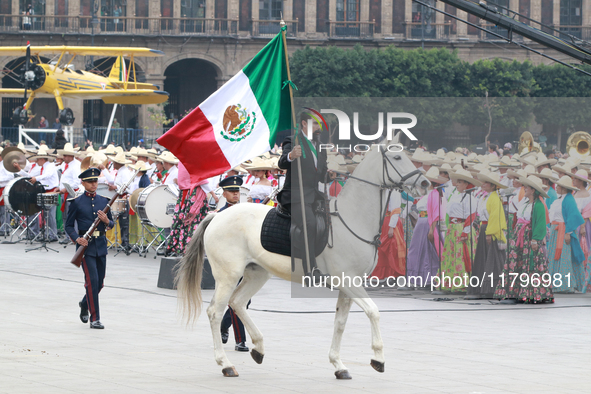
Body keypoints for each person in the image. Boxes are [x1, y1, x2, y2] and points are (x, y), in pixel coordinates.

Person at [277, 112, 328, 282]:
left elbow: (321, 176)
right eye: (315, 124)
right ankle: (310, 269)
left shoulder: (320, 146)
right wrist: (291, 156)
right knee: (309, 223)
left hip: (314, 195)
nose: (318, 128)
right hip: (295, 195)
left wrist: (330, 175)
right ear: (304, 124)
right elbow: (281, 163)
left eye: (319, 125)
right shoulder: (293, 141)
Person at [66, 168, 114, 329]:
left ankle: (85, 303)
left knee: (100, 283)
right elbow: (68, 226)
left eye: (95, 181)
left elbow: (112, 224)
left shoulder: (104, 201)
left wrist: (107, 221)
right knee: (91, 282)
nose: (94, 184)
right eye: (90, 182)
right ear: (83, 183)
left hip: (100, 244)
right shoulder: (76, 202)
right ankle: (95, 319)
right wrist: (76, 238)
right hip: (85, 247)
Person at [495, 175, 553, 304]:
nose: (524, 188)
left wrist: (535, 240)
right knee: (517, 264)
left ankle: (530, 294)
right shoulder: (525, 202)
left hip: (529, 238)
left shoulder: (538, 205)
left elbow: (540, 224)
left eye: (527, 187)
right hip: (520, 237)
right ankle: (515, 293)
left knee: (529, 265)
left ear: (533, 190)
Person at [217, 175, 250, 352]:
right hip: (230, 263)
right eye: (231, 192)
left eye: (237, 191)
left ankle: (224, 323)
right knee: (238, 300)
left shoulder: (246, 212)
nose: (235, 195)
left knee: (246, 300)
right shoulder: (221, 215)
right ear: (224, 194)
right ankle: (241, 341)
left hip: (248, 260)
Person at [466, 171, 507, 299]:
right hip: (485, 228)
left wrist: (489, 233)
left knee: (492, 259)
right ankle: (483, 288)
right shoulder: (486, 197)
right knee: (484, 258)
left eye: (486, 182)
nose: (483, 184)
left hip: (490, 230)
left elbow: (495, 217)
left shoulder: (494, 198)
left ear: (493, 185)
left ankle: (492, 288)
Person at [440, 168, 480, 291]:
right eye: (457, 182)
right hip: (452, 228)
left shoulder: (470, 198)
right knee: (451, 255)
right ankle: (450, 282)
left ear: (467, 184)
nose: (457, 184)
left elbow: (471, 216)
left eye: (460, 182)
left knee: (461, 255)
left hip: (461, 227)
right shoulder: (455, 195)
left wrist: (465, 232)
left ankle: (463, 283)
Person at [406, 167, 447, 288]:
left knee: (427, 251)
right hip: (422, 222)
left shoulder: (435, 194)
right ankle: (420, 278)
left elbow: (435, 213)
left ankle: (429, 278)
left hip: (427, 223)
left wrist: (431, 229)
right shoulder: (430, 194)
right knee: (419, 250)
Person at [547, 176, 585, 293]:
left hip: (563, 231)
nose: (557, 187)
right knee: (556, 257)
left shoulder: (568, 199)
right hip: (556, 231)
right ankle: (556, 283)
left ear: (564, 188)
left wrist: (568, 232)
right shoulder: (561, 198)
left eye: (559, 186)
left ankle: (565, 284)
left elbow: (573, 215)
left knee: (564, 257)